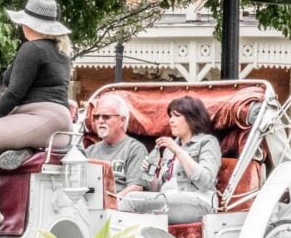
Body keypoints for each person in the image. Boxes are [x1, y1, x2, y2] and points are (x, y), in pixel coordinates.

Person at [0, 0, 73, 229]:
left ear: (27, 23)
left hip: (40, 117)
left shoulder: (33, 49)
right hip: (52, 122)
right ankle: (21, 149)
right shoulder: (58, 51)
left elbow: (12, 94)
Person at [118, 96, 221, 224]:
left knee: (131, 200)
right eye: (170, 116)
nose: (171, 120)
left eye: (177, 116)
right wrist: (151, 174)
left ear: (192, 119)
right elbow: (158, 190)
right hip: (169, 201)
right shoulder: (168, 149)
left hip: (199, 202)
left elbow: (205, 182)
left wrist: (177, 150)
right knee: (130, 201)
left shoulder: (207, 142)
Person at [85, 94, 148, 199]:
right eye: (96, 117)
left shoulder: (135, 149)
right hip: (90, 207)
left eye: (106, 116)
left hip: (120, 210)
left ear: (122, 120)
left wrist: (111, 203)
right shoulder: (89, 151)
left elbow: (136, 188)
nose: (100, 121)